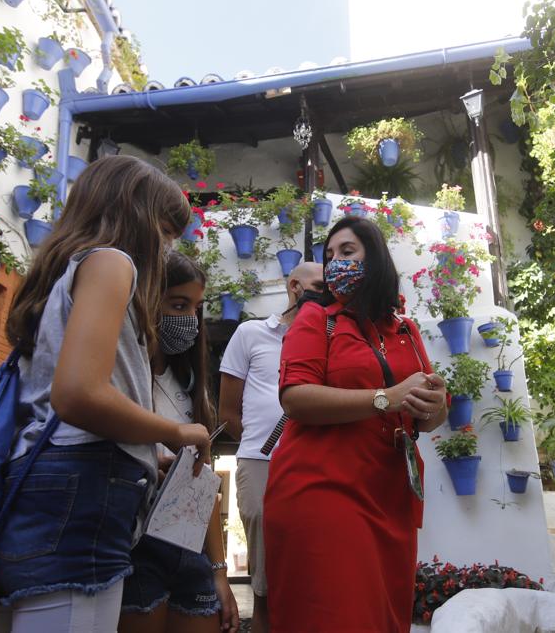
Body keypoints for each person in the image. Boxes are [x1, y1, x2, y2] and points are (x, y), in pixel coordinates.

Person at [0, 156, 211, 632]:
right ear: (133, 214)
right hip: (83, 492)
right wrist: (176, 430)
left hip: (47, 486)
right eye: (166, 232)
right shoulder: (113, 263)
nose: (166, 247)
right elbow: (79, 395)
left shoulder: (68, 271)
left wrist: (143, 449)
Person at [263, 216, 450, 632]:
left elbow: (431, 415)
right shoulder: (317, 319)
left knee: (383, 619)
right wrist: (387, 398)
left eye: (347, 252)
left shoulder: (406, 328)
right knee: (336, 617)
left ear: (377, 258)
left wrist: (434, 404)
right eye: (329, 257)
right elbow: (295, 397)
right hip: (324, 491)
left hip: (390, 497)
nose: (334, 264)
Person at [120, 251, 239, 632]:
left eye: (196, 308)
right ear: (148, 300)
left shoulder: (188, 389)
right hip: (134, 549)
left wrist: (219, 573)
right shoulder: (121, 379)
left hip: (188, 553)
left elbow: (200, 489)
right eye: (178, 304)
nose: (189, 319)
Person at [217, 261, 324, 633]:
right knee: (264, 582)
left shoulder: (329, 337)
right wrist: (264, 446)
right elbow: (227, 410)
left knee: (308, 571)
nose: (327, 293)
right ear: (295, 286)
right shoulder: (251, 333)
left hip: (313, 465)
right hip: (261, 463)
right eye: (320, 285)